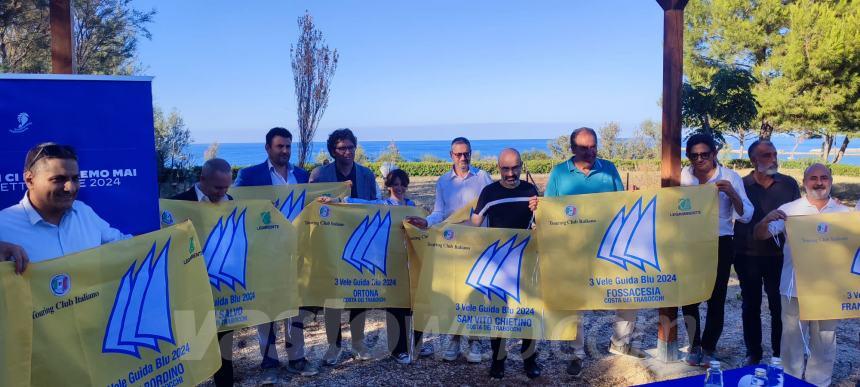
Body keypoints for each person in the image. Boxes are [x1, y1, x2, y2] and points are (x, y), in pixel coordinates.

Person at [531, 127, 645, 376]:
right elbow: (549, 210)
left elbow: (621, 203)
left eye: (593, 146)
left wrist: (633, 198)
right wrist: (539, 210)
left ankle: (619, 343)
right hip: (572, 251)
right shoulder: (560, 173)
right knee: (574, 303)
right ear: (572, 149)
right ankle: (576, 354)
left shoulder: (609, 169)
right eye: (583, 147)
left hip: (608, 247)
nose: (590, 151)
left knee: (628, 294)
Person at [233, 127, 317, 382]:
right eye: (280, 146)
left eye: (288, 146)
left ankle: (296, 358)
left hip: (296, 251)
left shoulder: (301, 174)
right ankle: (269, 361)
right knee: (266, 306)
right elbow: (233, 202)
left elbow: (312, 205)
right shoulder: (249, 175)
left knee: (295, 304)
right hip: (263, 252)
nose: (285, 151)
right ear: (267, 148)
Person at [753, 164, 846, 386]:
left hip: (830, 290)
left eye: (824, 178)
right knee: (791, 341)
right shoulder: (790, 209)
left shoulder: (844, 213)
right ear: (804, 182)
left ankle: (819, 383)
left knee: (824, 340)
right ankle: (790, 381)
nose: (819, 182)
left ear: (830, 181)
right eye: (813, 178)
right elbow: (760, 235)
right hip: (793, 287)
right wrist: (766, 220)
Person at [404, 136, 493, 362]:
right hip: (452, 247)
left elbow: (492, 210)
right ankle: (454, 339)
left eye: (467, 153)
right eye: (458, 154)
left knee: (475, 294)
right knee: (455, 294)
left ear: (471, 154)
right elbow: (439, 213)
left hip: (478, 247)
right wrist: (428, 222)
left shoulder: (483, 178)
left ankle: (474, 341)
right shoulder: (443, 182)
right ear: (451, 155)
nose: (463, 158)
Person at [318, 168, 414, 364]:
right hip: (383, 262)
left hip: (403, 263)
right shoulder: (382, 204)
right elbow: (360, 204)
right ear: (388, 187)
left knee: (401, 306)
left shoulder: (412, 206)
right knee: (387, 302)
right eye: (395, 184)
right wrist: (337, 201)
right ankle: (344, 345)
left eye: (402, 184)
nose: (399, 187)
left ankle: (401, 348)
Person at [680, 134, 753, 366]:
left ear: (714, 153)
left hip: (720, 242)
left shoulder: (730, 177)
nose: (699, 159)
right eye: (694, 155)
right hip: (689, 243)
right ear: (688, 156)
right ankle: (694, 345)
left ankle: (709, 348)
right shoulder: (684, 175)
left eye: (705, 154)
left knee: (716, 298)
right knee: (688, 297)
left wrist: (732, 193)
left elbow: (747, 214)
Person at [309, 128, 379, 366]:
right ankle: (334, 345)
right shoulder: (319, 175)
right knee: (332, 296)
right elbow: (310, 208)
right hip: (329, 243)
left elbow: (376, 205)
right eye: (341, 148)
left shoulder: (367, 175)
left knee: (358, 293)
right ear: (333, 151)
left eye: (350, 147)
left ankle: (358, 342)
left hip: (359, 242)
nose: (347, 152)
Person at [470, 148, 540, 379]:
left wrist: (540, 211)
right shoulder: (489, 192)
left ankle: (530, 360)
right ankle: (498, 361)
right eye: (506, 169)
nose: (511, 173)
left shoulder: (531, 190)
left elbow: (541, 223)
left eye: (515, 167)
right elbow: (475, 223)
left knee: (527, 312)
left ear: (521, 165)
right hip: (498, 264)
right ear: (498, 168)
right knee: (498, 314)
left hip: (526, 262)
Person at [0, 143, 129, 263]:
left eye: (75, 178)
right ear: (29, 180)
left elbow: (127, 247)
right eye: (58, 179)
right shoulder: (3, 225)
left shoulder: (84, 212)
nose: (70, 188)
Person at [733, 140, 800, 366]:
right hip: (746, 254)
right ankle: (753, 353)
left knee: (778, 307)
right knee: (750, 305)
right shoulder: (741, 185)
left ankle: (778, 354)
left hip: (779, 257)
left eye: (774, 153)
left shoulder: (789, 184)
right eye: (766, 155)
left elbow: (800, 215)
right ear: (754, 160)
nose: (773, 158)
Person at [170, 158, 236, 387]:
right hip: (188, 286)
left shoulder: (230, 202)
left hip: (220, 284)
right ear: (202, 180)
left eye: (227, 186)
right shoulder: (176, 204)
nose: (223, 192)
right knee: (190, 343)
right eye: (218, 187)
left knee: (224, 344)